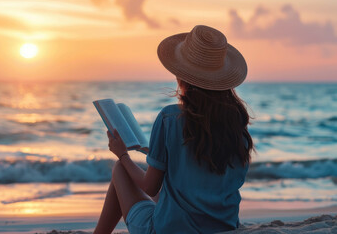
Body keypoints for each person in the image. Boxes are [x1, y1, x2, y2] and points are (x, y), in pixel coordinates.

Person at [93, 25, 254, 234]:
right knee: (164, 189)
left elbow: (150, 187)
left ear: (182, 76)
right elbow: (199, 178)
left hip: (169, 229)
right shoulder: (237, 129)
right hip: (223, 228)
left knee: (120, 169)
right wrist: (154, 155)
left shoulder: (170, 118)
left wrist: (122, 154)